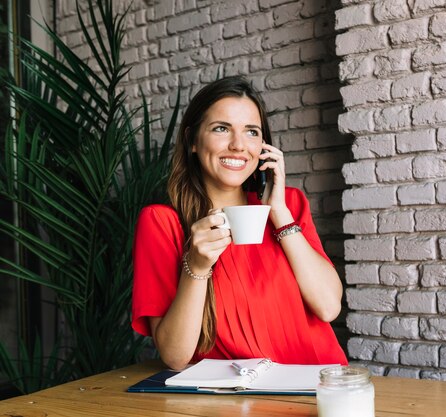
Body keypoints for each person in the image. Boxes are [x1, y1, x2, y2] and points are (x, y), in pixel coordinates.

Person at [131, 76, 348, 371]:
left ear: (263, 146)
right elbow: (175, 356)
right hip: (232, 400)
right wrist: (196, 267)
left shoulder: (290, 205)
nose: (238, 145)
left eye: (251, 132)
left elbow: (328, 307)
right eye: (221, 128)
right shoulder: (162, 222)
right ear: (192, 140)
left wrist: (279, 213)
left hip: (316, 389)